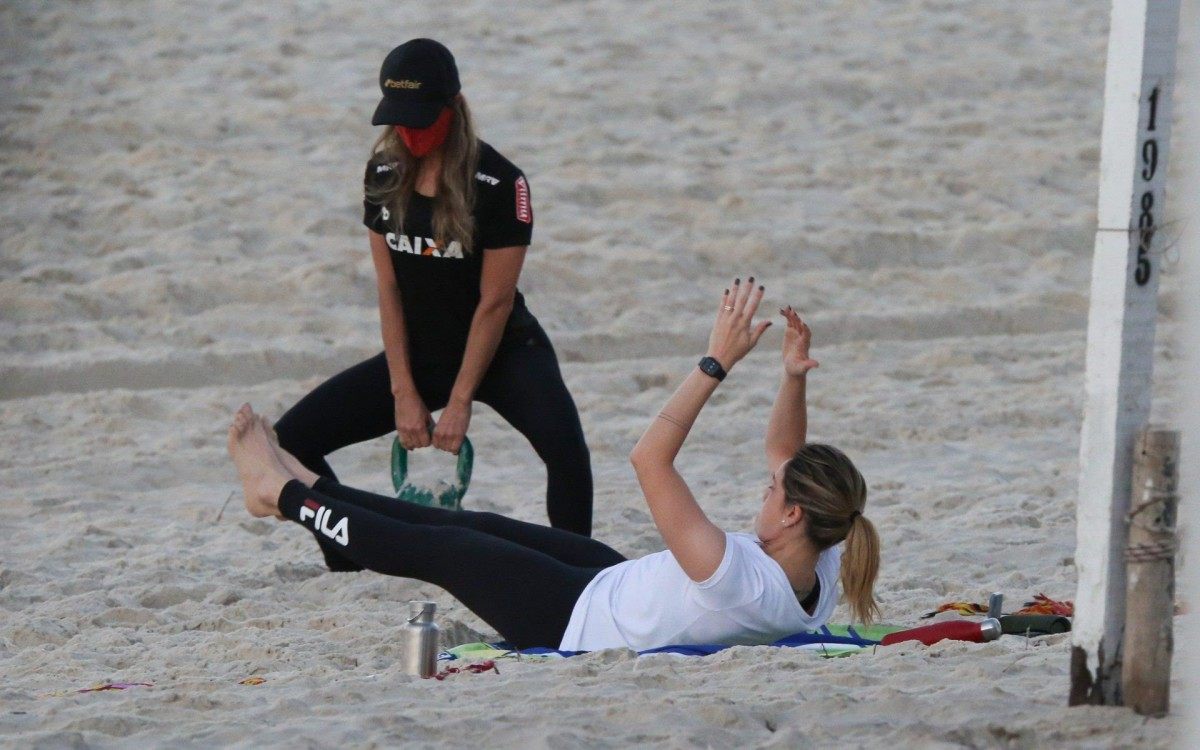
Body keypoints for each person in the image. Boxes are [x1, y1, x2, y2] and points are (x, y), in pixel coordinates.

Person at [230, 280, 881, 651]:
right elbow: (786, 456)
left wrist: (715, 363)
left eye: (772, 492)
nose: (763, 490)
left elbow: (649, 457)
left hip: (574, 617)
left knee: (440, 546)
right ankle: (310, 481)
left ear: (792, 514)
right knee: (476, 524)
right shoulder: (820, 558)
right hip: (617, 582)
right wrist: (793, 376)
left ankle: (282, 494)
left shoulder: (739, 575)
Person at [272, 39, 593, 574]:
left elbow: (494, 302)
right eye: (400, 121)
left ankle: (578, 575)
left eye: (423, 120)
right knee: (291, 441)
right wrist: (403, 390)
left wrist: (461, 400)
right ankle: (348, 556)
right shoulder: (382, 174)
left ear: (453, 107)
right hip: (421, 354)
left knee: (568, 454)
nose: (411, 133)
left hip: (503, 350)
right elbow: (389, 290)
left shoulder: (500, 182)